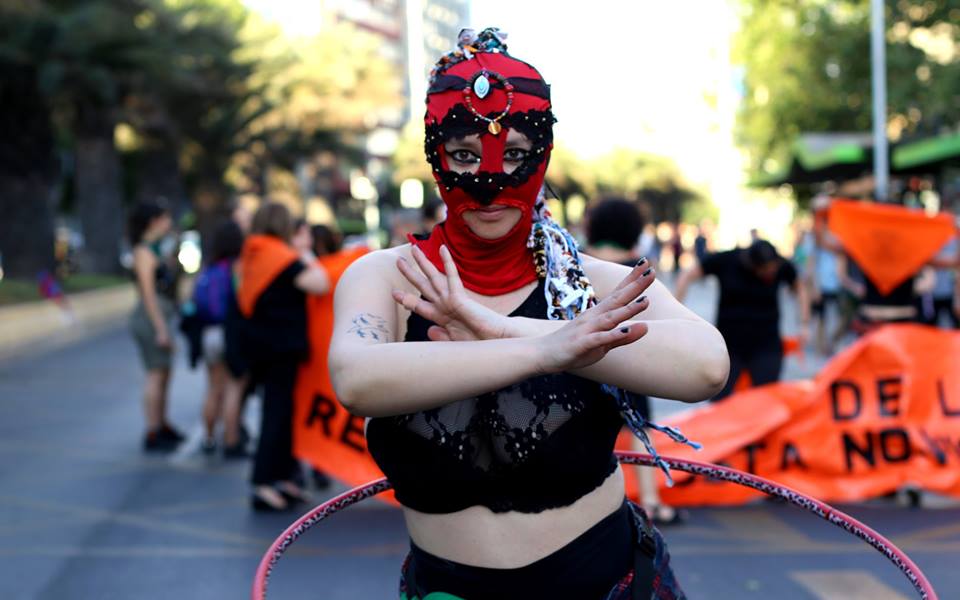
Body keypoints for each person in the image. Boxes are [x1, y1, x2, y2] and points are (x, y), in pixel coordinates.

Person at [329, 28, 728, 599]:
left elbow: (706, 367)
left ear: (542, 156)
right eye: (465, 155)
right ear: (436, 154)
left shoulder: (590, 282)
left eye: (514, 154)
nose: (490, 183)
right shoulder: (388, 278)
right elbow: (355, 379)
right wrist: (547, 351)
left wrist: (508, 329)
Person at [584, 198, 686, 526]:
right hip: (629, 358)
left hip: (581, 359)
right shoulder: (640, 268)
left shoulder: (575, 260)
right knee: (640, 428)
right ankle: (651, 501)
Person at [237, 203, 330, 511]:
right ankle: (263, 482)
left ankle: (281, 477)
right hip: (280, 348)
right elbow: (320, 283)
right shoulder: (280, 256)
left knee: (281, 412)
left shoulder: (255, 251)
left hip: (264, 347)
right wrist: (304, 252)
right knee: (276, 414)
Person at [675, 238, 808, 401]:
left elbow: (800, 288)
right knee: (719, 400)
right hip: (729, 347)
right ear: (753, 265)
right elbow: (687, 275)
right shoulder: (726, 261)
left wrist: (804, 323)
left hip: (766, 345)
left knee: (766, 400)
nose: (772, 273)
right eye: (767, 270)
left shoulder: (780, 265)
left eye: (774, 269)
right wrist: (676, 312)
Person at [128, 199, 185, 451]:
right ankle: (152, 430)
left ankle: (162, 423)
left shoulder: (159, 249)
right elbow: (148, 295)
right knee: (155, 373)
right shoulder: (143, 252)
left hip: (163, 314)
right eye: (165, 218)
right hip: (151, 317)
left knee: (164, 372)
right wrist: (160, 329)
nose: (169, 223)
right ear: (153, 221)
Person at [193, 220, 245, 454]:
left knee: (213, 388)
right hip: (228, 333)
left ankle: (208, 438)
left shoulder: (210, 267)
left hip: (208, 333)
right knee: (234, 388)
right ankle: (231, 440)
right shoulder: (236, 267)